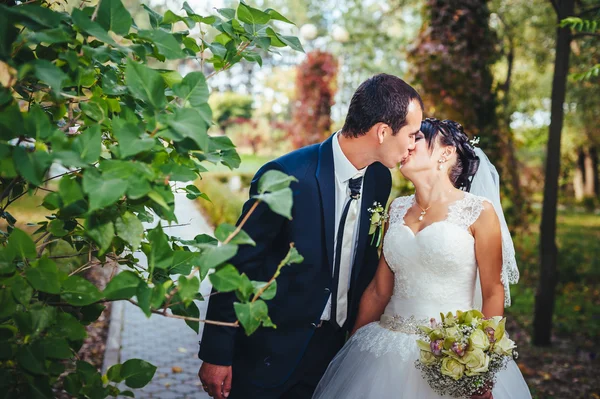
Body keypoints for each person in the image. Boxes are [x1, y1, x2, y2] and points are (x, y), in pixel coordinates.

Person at [198, 74, 424, 399]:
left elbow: (362, 261)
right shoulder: (286, 176)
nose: (414, 144)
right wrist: (216, 354)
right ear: (383, 131)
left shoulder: (379, 180)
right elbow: (236, 264)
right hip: (268, 353)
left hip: (330, 356)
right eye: (412, 134)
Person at [313, 118, 531, 399]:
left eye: (418, 138)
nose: (408, 144)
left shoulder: (478, 211)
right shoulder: (397, 207)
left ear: (446, 152)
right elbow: (380, 289)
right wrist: (352, 346)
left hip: (449, 354)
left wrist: (482, 366)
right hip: (384, 349)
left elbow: (492, 291)